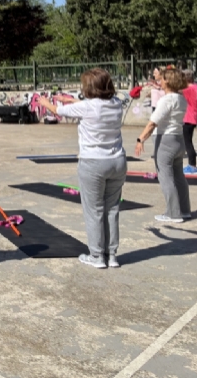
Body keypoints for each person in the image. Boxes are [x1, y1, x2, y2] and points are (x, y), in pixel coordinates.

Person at [39, 69, 127, 269]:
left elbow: (58, 111)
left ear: (89, 88)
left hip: (93, 163)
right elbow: (94, 107)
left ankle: (97, 256)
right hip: (117, 162)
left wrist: (45, 103)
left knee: (94, 210)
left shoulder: (87, 108)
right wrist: (70, 101)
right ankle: (111, 255)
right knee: (112, 209)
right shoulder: (116, 104)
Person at [135, 69, 191, 222]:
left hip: (165, 140)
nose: (160, 80)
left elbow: (153, 122)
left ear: (168, 81)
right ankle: (184, 210)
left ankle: (173, 213)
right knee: (179, 176)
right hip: (178, 139)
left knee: (166, 177)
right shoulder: (181, 98)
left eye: (163, 78)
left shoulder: (167, 100)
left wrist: (140, 139)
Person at [182, 70, 197, 174]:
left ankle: (192, 165)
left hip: (188, 118)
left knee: (187, 142)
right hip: (193, 117)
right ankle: (192, 165)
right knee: (188, 141)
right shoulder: (196, 87)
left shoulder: (188, 89)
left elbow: (174, 91)